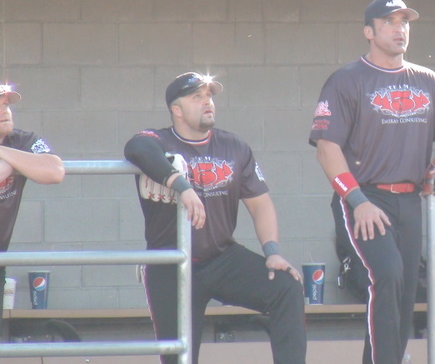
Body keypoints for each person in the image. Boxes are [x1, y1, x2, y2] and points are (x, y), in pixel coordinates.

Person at [309, 0, 435, 364]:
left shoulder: (428, 80)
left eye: (404, 22)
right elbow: (326, 149)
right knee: (388, 274)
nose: (400, 29)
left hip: (410, 200)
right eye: (389, 22)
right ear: (369, 32)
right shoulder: (347, 80)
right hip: (364, 196)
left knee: (405, 291)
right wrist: (358, 201)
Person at [124, 72, 306, 364]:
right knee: (179, 358)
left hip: (221, 258)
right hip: (170, 263)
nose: (207, 101)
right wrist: (181, 186)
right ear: (176, 109)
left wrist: (272, 251)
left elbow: (260, 205)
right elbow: (136, 148)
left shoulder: (233, 146)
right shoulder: (159, 140)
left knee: (286, 288)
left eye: (209, 96)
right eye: (196, 96)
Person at [0, 84, 65, 315]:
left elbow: (55, 171)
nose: (4, 110)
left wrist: (5, 154)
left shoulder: (19, 141)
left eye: (6, 104)